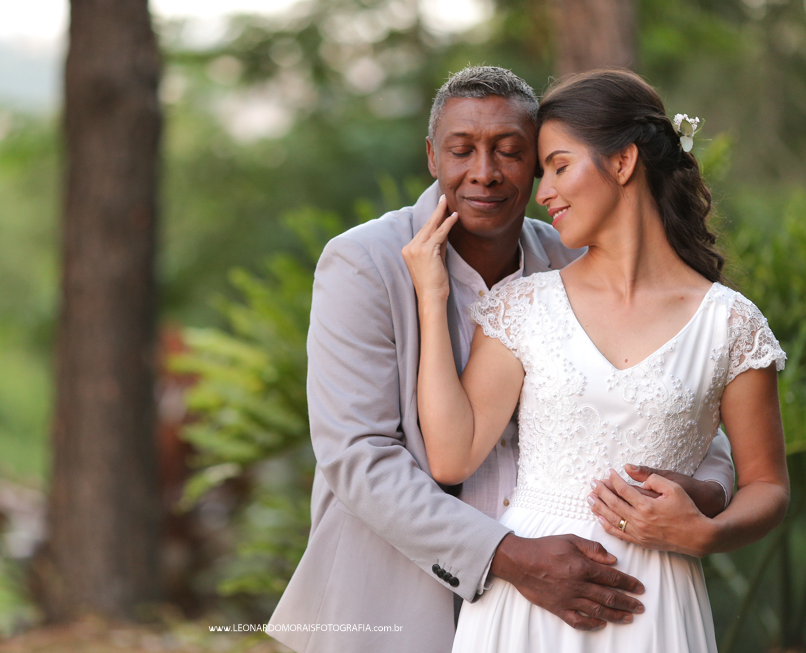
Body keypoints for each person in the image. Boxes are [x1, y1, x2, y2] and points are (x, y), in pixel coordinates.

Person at [268, 66, 737, 653]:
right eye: (461, 150)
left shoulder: (572, 261)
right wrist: (510, 557)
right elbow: (359, 455)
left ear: (537, 162)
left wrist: (708, 491)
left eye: (510, 152)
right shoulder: (364, 263)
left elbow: (682, 407)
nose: (484, 172)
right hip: (394, 600)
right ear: (432, 156)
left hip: (563, 612)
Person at [404, 69, 789, 652]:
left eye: (559, 166)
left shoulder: (731, 323)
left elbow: (767, 486)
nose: (543, 193)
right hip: (527, 609)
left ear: (623, 162)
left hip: (656, 603)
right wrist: (432, 300)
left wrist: (705, 535)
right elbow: (452, 456)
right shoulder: (523, 306)